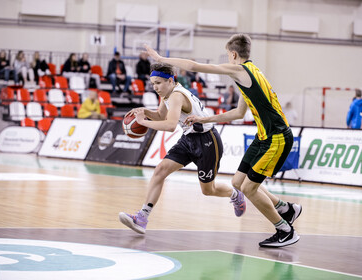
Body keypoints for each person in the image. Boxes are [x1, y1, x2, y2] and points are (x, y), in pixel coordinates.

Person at [145, 33, 301, 248]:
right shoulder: (252, 75)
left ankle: (284, 229)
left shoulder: (240, 70)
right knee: (237, 183)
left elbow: (193, 65)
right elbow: (238, 113)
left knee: (249, 189)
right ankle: (287, 209)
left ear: (233, 54)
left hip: (277, 139)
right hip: (264, 137)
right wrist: (204, 118)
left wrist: (161, 57)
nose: (228, 59)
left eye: (228, 55)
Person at [119, 62, 246, 234]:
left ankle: (235, 195)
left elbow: (171, 125)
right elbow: (161, 115)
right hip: (188, 139)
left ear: (170, 81)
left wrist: (143, 123)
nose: (155, 87)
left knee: (208, 190)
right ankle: (142, 218)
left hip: (207, 141)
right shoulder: (167, 94)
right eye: (153, 83)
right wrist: (144, 111)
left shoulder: (176, 96)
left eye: (158, 83)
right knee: (160, 170)